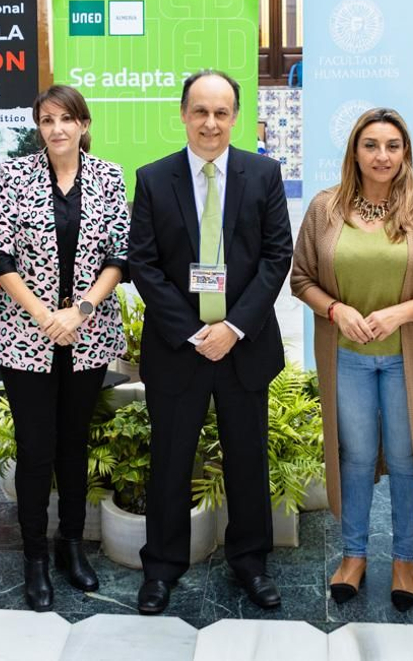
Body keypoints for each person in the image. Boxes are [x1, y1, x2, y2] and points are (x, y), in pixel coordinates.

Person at [128, 69, 293, 616]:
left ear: (235, 117)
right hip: (180, 347)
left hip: (242, 346)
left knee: (246, 460)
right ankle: (162, 568)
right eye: (200, 111)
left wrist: (233, 328)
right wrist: (195, 331)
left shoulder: (263, 174)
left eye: (221, 112)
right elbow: (145, 266)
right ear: (183, 114)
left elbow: (276, 257)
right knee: (172, 462)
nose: (210, 123)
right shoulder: (154, 179)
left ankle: (250, 563)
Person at [290, 108, 413, 612]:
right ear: (355, 151)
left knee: (410, 460)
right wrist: (337, 309)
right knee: (358, 457)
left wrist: (398, 315)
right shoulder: (326, 208)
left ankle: (405, 560)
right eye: (371, 145)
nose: (382, 155)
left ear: (405, 151)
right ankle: (354, 555)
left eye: (392, 145)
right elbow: (301, 277)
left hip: (407, 360)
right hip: (347, 357)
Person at [0, 84, 129, 611]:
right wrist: (46, 316)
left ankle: (71, 546)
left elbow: (119, 254)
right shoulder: (14, 175)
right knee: (36, 448)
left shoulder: (109, 176)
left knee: (74, 443)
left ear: (83, 124)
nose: (57, 128)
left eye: (67, 118)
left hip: (87, 335)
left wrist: (81, 311)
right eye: (47, 120)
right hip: (26, 336)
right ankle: (35, 558)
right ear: (38, 127)